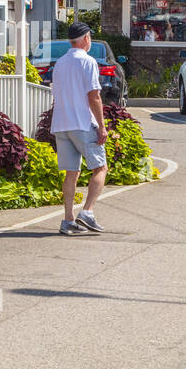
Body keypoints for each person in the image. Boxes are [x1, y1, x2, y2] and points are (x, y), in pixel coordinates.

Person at [51, 21, 108, 234]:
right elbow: (94, 96)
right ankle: (88, 212)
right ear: (86, 38)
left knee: (71, 172)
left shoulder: (60, 63)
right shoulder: (88, 61)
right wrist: (101, 126)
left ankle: (68, 220)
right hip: (82, 122)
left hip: (61, 123)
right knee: (100, 167)